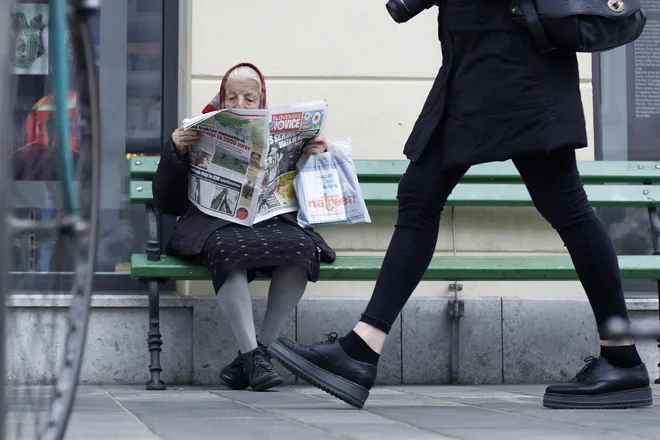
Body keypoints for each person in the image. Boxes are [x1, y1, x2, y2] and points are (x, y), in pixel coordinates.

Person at [267, 1, 653, 409]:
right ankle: (361, 348)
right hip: (471, 69)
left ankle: (622, 358)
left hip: (517, 71)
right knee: (420, 196)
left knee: (567, 208)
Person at [153, 62, 335, 391]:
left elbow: (307, 195)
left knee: (302, 249)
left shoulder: (274, 131)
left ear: (261, 102)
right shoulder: (197, 132)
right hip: (214, 223)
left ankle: (253, 356)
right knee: (227, 249)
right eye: (232, 97)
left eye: (249, 99)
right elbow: (167, 202)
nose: (240, 105)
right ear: (221, 101)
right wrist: (176, 151)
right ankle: (255, 356)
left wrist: (313, 156)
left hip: (270, 219)